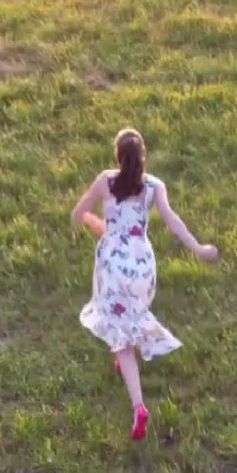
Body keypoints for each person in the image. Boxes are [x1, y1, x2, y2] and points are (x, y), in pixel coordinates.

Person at [71, 128, 218, 441]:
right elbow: (173, 221)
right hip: (141, 265)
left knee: (120, 334)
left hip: (113, 263)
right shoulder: (154, 187)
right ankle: (123, 353)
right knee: (128, 315)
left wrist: (99, 226)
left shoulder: (105, 181)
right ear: (143, 157)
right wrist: (198, 248)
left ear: (117, 156)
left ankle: (138, 406)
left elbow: (78, 214)